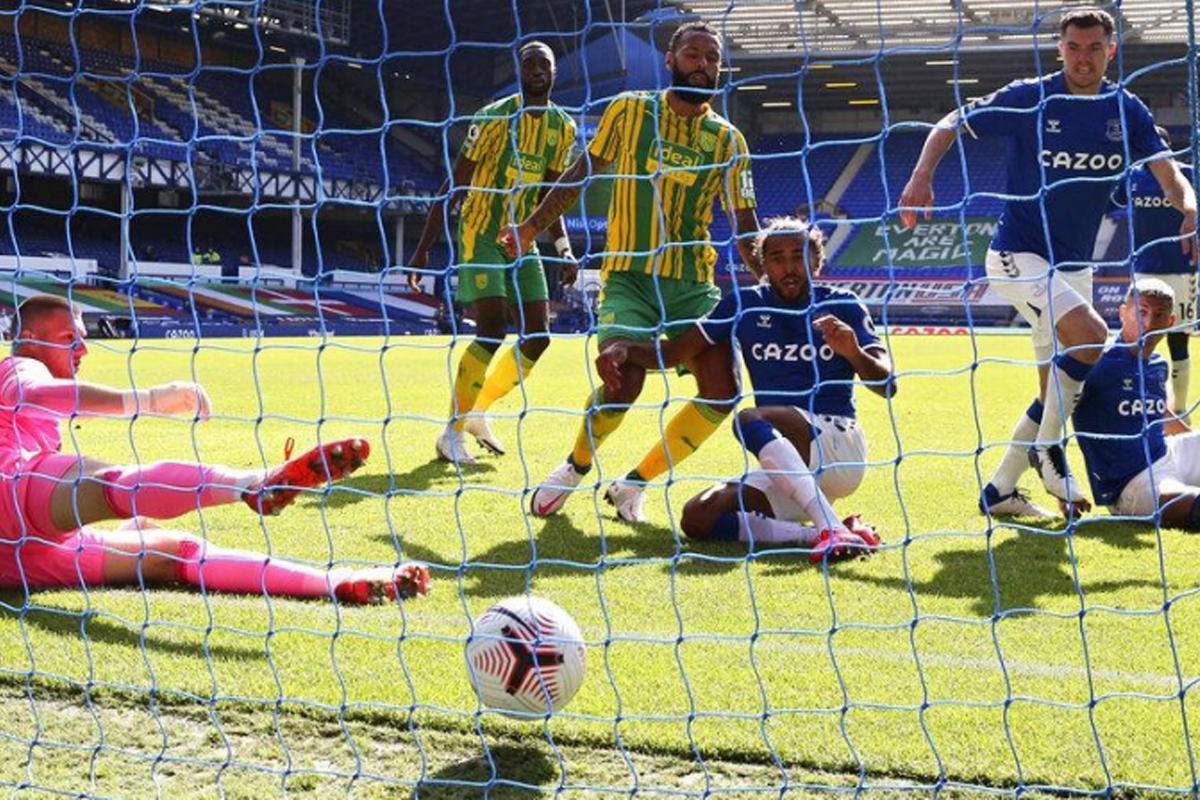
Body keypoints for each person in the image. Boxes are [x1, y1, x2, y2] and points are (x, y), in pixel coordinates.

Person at [899, 7, 1197, 519]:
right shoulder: (1030, 96)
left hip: (1074, 266)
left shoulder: (1125, 110)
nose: (1083, 59)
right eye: (1074, 48)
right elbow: (950, 122)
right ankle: (1049, 450)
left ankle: (1000, 491)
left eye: (1094, 48)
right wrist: (921, 175)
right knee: (1091, 334)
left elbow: (1168, 174)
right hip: (1017, 254)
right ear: (1059, 50)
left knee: (1057, 392)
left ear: (1110, 51)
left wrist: (1189, 207)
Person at [0, 295, 430, 604]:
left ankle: (340, 582)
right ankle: (253, 484)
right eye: (69, 338)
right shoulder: (19, 365)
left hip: (22, 562)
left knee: (175, 553)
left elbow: (62, 404)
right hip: (12, 499)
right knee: (110, 482)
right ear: (30, 338)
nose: (84, 349)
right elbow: (35, 394)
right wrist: (150, 399)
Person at [500, 21, 761, 523]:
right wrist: (531, 228)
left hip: (692, 284)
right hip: (628, 275)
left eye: (712, 57)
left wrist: (770, 283)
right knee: (624, 382)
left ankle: (633, 485)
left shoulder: (730, 141)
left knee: (723, 391)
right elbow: (580, 174)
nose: (703, 64)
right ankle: (575, 467)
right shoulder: (629, 110)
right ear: (670, 59)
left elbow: (745, 224)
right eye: (693, 54)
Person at [596, 218, 892, 560]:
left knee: (749, 418)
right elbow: (675, 351)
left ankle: (831, 529)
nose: (789, 268)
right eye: (777, 259)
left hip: (838, 445)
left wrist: (853, 352)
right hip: (789, 465)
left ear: (816, 261)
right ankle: (826, 533)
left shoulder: (844, 305)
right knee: (698, 518)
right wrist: (626, 349)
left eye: (798, 257)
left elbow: (887, 384)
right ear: (763, 265)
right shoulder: (744, 303)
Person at [407, 41, 578, 465]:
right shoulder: (492, 118)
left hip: (521, 238)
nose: (537, 69)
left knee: (538, 337)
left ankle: (478, 411)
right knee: (492, 330)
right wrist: (423, 249)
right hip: (481, 230)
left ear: (554, 71)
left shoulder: (563, 128)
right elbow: (454, 185)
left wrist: (564, 248)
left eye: (544, 63)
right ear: (519, 71)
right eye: (529, 63)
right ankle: (451, 432)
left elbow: (551, 197)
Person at [1072, 278, 1200, 526]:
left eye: (1159, 315)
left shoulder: (1158, 364)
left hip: (1167, 454)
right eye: (1141, 313)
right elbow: (1051, 414)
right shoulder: (1097, 362)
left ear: (1171, 322)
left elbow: (1160, 414)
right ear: (1123, 313)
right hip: (1133, 484)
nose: (1149, 324)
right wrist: (1063, 485)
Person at [1111, 126, 1197, 420]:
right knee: (1136, 339)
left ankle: (1180, 411)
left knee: (1178, 340)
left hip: (1182, 270)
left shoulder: (1188, 174)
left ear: (1168, 147)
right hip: (1143, 270)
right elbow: (1113, 203)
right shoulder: (1132, 176)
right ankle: (1137, 403)